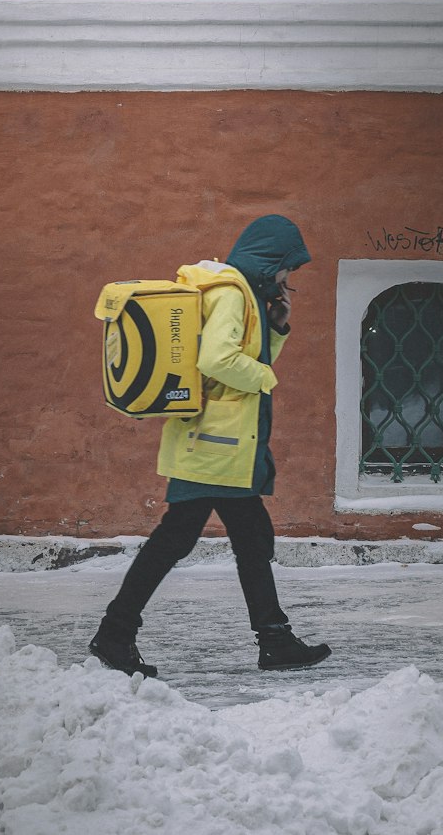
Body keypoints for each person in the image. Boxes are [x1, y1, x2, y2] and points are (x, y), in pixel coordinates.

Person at [89, 214, 331, 677]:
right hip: (216, 448)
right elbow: (218, 360)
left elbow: (239, 357)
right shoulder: (231, 293)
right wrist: (265, 376)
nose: (288, 280)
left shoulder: (242, 295)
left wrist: (276, 329)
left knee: (238, 538)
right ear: (269, 260)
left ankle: (273, 638)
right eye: (287, 269)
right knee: (185, 540)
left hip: (217, 447)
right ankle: (116, 634)